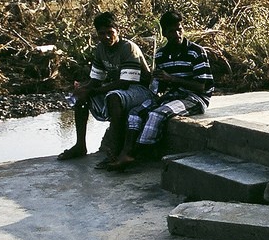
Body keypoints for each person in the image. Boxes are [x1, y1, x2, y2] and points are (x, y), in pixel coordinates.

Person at [109, 11, 214, 170]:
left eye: (180, 29)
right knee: (135, 113)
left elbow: (202, 86)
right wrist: (158, 82)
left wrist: (171, 79)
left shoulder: (196, 51)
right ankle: (125, 151)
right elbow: (161, 86)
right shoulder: (161, 55)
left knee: (156, 114)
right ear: (164, 33)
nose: (178, 34)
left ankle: (133, 154)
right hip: (173, 96)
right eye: (172, 31)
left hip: (195, 97)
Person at [58, 11, 154, 168]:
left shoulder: (128, 47)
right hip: (124, 89)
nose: (107, 37)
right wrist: (82, 88)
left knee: (113, 97)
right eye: (102, 34)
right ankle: (80, 145)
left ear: (118, 31)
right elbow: (96, 80)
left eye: (110, 33)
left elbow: (124, 83)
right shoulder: (100, 49)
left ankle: (114, 151)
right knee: (82, 97)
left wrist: (94, 91)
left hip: (140, 91)